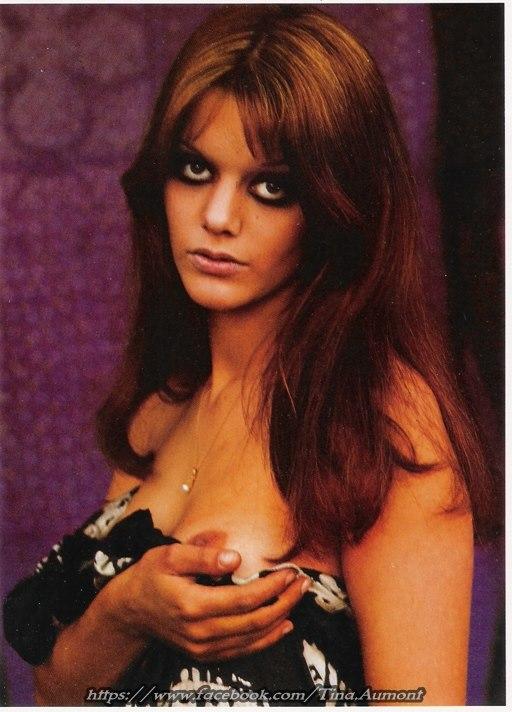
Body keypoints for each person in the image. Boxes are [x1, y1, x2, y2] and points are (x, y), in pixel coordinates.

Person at [4, 5, 496, 706]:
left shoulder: (384, 425)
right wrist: (126, 611)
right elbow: (58, 697)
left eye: (270, 187)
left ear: (337, 207)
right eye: (195, 169)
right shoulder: (164, 405)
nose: (216, 217)